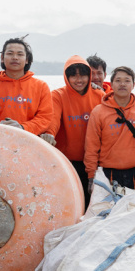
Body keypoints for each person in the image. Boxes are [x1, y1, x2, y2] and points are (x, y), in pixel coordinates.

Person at [46, 56, 104, 208]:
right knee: (70, 204)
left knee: (93, 206)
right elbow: (53, 119)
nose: (79, 80)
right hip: (68, 161)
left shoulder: (99, 95)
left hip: (95, 162)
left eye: (83, 75)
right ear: (67, 77)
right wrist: (50, 134)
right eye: (73, 75)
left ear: (89, 76)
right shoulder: (57, 95)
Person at [84, 66, 135, 191]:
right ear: (112, 84)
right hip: (108, 174)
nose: (122, 84)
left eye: (127, 81)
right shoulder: (98, 112)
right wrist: (91, 176)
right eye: (118, 80)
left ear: (133, 85)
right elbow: (91, 148)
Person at [0, 36, 53, 136]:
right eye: (10, 53)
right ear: (2, 58)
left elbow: (45, 118)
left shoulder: (41, 87)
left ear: (26, 59)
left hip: (30, 142)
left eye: (20, 54)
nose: (15, 57)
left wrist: (22, 128)